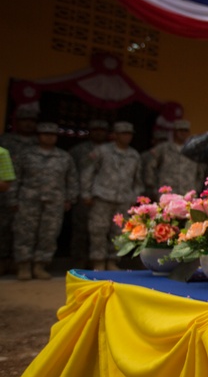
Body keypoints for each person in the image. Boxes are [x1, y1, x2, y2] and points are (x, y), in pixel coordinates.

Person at [10, 123, 78, 280]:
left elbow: (71, 179)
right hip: (28, 200)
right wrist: (12, 198)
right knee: (24, 233)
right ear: (38, 135)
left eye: (52, 135)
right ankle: (24, 265)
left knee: (49, 234)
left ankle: (40, 265)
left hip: (54, 202)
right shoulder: (26, 154)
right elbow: (15, 178)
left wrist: (70, 198)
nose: (49, 137)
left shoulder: (64, 157)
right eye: (45, 134)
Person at [81, 121, 143, 270]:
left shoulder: (134, 155)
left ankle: (112, 261)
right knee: (98, 230)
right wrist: (86, 193)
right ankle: (98, 261)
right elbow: (88, 173)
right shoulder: (101, 151)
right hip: (102, 197)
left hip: (124, 199)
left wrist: (135, 197)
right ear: (115, 135)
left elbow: (137, 180)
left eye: (129, 134)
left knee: (119, 232)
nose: (126, 137)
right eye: (123, 134)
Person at [0, 105, 38, 274]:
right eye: (24, 120)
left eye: (32, 121)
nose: (28, 124)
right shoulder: (5, 141)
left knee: (26, 231)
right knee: (3, 229)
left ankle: (21, 264)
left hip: (30, 194)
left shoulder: (39, 142)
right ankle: (3, 261)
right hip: (5, 192)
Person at [69, 119, 110, 263]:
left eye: (102, 130)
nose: (99, 133)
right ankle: (78, 262)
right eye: (95, 130)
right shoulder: (77, 150)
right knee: (80, 230)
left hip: (105, 197)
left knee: (103, 231)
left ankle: (98, 262)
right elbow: (71, 173)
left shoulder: (112, 150)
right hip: (83, 196)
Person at [145, 119, 199, 196]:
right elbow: (150, 167)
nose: (183, 133)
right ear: (174, 132)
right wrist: (153, 188)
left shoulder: (194, 150)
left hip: (188, 192)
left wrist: (197, 188)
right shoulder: (163, 148)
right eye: (180, 130)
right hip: (167, 192)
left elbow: (200, 171)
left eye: (185, 130)